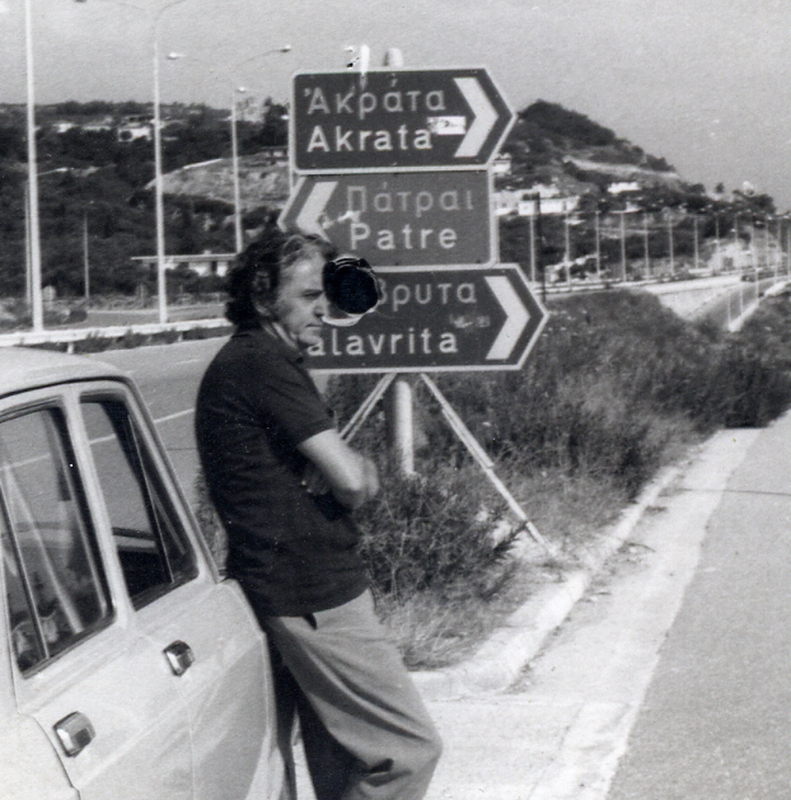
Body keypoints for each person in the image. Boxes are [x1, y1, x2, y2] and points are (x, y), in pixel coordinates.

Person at [195, 226, 442, 800]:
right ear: (262, 297)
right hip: (313, 594)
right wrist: (349, 474)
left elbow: (340, 475)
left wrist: (336, 473)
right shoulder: (263, 364)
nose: (325, 312)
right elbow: (355, 480)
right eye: (309, 297)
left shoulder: (263, 360)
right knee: (408, 752)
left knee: (344, 765)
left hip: (301, 589)